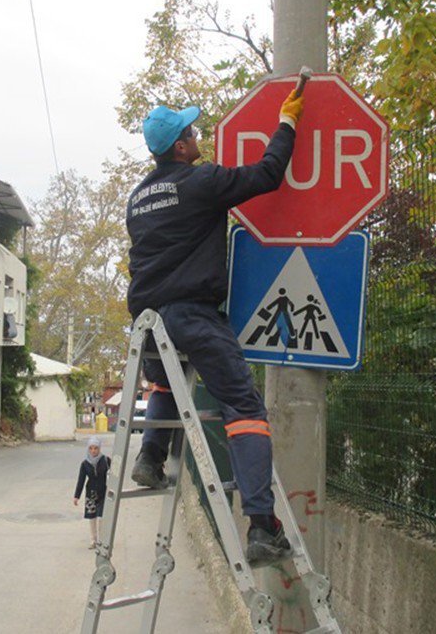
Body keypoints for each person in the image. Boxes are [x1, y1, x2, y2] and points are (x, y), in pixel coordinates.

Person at [125, 87, 305, 568]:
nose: (197, 134)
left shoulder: (138, 197)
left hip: (147, 320)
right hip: (191, 315)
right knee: (243, 407)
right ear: (180, 148)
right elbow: (267, 174)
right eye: (191, 131)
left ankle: (150, 457)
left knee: (165, 378)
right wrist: (287, 123)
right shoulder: (199, 182)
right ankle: (263, 528)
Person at [73, 436, 111, 549]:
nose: (93, 451)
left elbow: (114, 476)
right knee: (92, 517)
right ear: (88, 449)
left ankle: (101, 540)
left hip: (104, 492)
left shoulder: (106, 460)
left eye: (96, 448)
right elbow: (81, 480)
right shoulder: (85, 464)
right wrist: (76, 496)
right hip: (91, 493)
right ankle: (93, 540)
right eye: (91, 448)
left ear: (99, 448)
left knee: (101, 517)